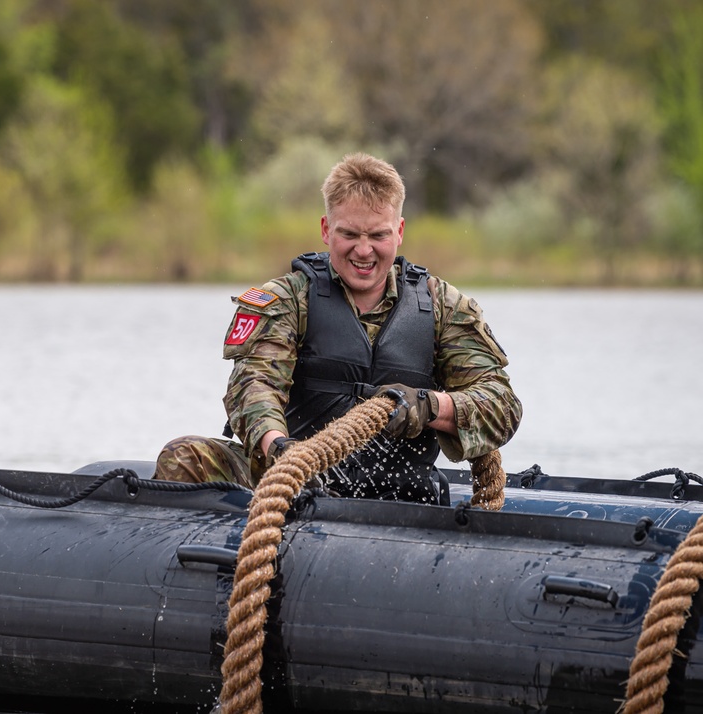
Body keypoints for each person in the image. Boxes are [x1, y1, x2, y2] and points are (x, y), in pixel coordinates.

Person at [153, 153, 522, 504]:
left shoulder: (442, 305)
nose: (364, 251)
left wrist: (428, 406)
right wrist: (281, 450)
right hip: (295, 478)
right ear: (327, 230)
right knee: (184, 456)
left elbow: (502, 404)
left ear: (399, 232)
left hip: (400, 487)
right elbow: (254, 385)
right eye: (350, 235)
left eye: (378, 236)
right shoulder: (287, 299)